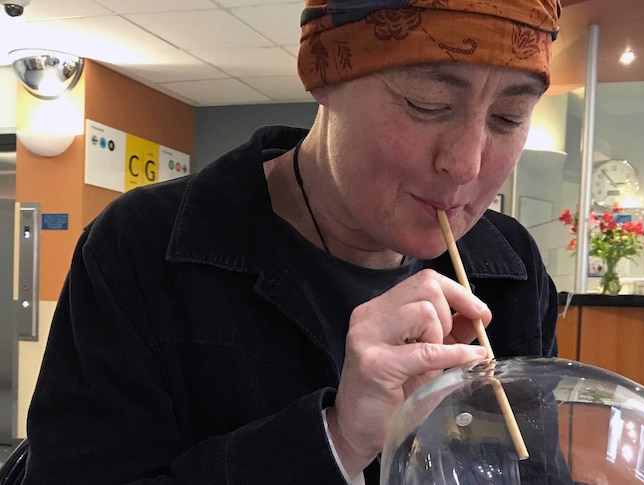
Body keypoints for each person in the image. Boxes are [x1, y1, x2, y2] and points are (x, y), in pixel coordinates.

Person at [23, 0, 562, 483]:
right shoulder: (141, 248)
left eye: (508, 118)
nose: (466, 165)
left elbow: (534, 469)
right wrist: (337, 439)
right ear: (322, 74)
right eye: (427, 103)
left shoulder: (510, 267)